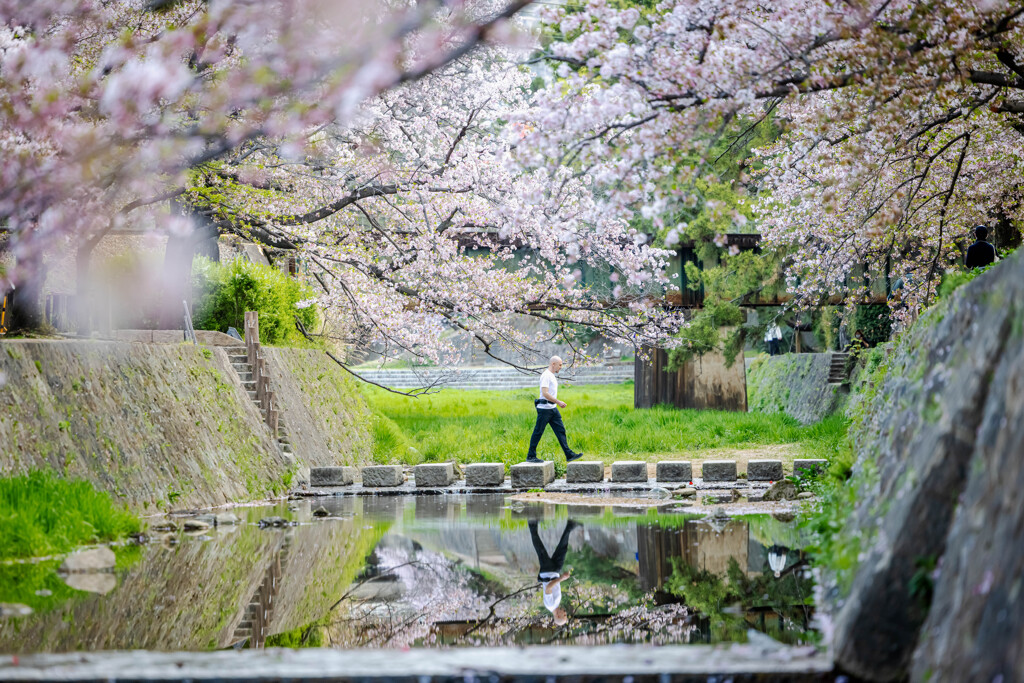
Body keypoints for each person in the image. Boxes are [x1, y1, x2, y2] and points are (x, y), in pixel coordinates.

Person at [526, 355, 583, 464]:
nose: (561, 367)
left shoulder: (552, 375)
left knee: (560, 431)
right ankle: (531, 456)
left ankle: (569, 454)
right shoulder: (546, 375)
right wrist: (558, 402)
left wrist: (556, 404)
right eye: (560, 365)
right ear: (553, 364)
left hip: (552, 409)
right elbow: (545, 393)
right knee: (538, 432)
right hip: (544, 409)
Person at [528, 518, 580, 626]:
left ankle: (532, 524)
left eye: (564, 615)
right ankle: (570, 525)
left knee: (540, 549)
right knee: (563, 549)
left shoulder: (550, 605)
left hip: (547, 572)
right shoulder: (556, 604)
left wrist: (562, 578)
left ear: (558, 616)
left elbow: (548, 588)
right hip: (555, 572)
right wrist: (559, 577)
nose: (565, 612)